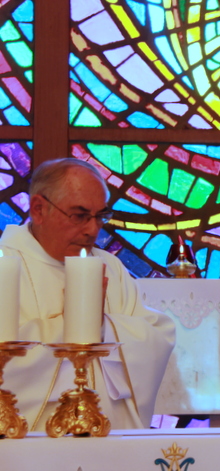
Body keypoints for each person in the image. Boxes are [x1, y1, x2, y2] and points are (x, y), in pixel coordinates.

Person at [0, 158, 175, 430]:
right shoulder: (7, 264)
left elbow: (156, 340)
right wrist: (71, 324)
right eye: (79, 215)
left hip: (107, 438)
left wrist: (103, 326)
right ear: (38, 209)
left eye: (100, 216)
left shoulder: (111, 268)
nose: (93, 230)